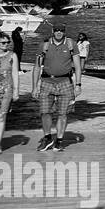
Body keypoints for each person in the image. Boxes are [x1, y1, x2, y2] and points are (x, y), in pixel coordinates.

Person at [33, 22, 81, 153]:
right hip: (47, 82)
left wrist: (78, 85)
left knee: (63, 113)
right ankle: (47, 138)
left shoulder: (71, 44)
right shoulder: (44, 45)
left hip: (65, 82)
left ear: (64, 31)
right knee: (44, 112)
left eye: (61, 30)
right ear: (52, 31)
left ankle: (59, 141)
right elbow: (37, 67)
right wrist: (34, 87)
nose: (59, 32)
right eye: (56, 30)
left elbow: (77, 66)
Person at [0, 32, 19, 154]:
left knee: (1, 116)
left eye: (8, 42)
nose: (6, 45)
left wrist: (16, 91)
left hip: (6, 90)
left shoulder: (12, 56)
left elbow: (15, 73)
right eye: (3, 42)